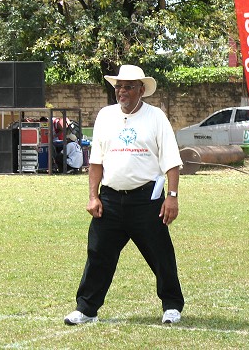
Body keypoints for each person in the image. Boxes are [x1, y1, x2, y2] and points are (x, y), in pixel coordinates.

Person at [64, 65, 184, 325]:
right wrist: (93, 196)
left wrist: (172, 196)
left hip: (147, 200)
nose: (122, 91)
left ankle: (172, 306)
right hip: (110, 200)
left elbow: (172, 161)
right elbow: (96, 161)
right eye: (119, 86)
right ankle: (86, 309)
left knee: (160, 255)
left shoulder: (156, 117)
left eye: (129, 86)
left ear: (142, 89)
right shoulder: (105, 115)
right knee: (98, 254)